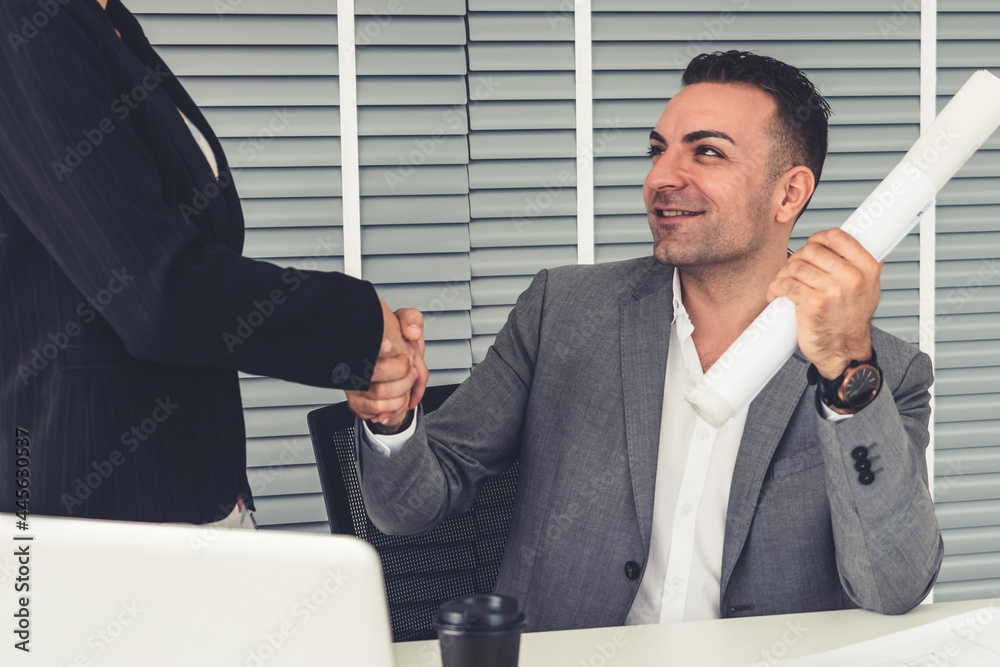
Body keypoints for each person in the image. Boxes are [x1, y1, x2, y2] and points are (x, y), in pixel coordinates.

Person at [346, 51, 943, 632]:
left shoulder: (883, 372)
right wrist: (393, 420)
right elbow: (409, 507)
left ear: (789, 193)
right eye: (658, 151)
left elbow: (892, 587)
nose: (661, 178)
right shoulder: (563, 311)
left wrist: (846, 373)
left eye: (706, 152)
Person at [0, 0, 427, 526]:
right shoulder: (23, 20)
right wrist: (362, 331)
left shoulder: (110, 25)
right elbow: (155, 293)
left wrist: (367, 348)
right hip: (96, 507)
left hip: (192, 485)